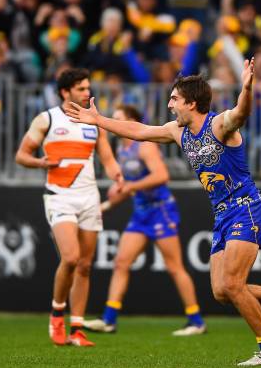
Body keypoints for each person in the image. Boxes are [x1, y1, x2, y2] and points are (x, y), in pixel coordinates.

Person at [66, 59, 261, 367]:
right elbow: (140, 131)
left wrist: (247, 87)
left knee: (234, 285)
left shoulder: (220, 125)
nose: (169, 105)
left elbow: (242, 111)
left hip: (247, 209)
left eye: (174, 100)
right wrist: (98, 119)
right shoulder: (176, 131)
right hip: (222, 215)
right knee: (222, 291)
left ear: (192, 103)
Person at [15, 68, 123, 347]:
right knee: (72, 258)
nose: (87, 93)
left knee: (85, 266)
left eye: (88, 88)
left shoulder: (93, 122)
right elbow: (21, 155)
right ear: (66, 92)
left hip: (89, 197)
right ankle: (56, 313)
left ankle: (77, 329)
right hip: (59, 196)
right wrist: (41, 162)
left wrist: (117, 176)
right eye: (81, 89)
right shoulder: (47, 119)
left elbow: (107, 157)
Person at [83, 105, 206, 336]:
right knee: (121, 262)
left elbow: (161, 176)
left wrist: (129, 186)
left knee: (174, 267)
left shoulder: (144, 145)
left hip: (161, 211)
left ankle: (196, 321)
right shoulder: (121, 149)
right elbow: (129, 189)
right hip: (141, 213)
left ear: (131, 121)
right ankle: (109, 319)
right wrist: (108, 204)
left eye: (118, 118)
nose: (113, 121)